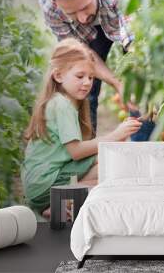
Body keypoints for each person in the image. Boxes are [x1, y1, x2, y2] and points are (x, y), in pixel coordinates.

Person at [21, 38, 142, 219]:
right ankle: (60, 208)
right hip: (46, 183)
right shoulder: (62, 105)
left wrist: (116, 138)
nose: (87, 83)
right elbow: (76, 152)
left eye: (91, 77)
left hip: (38, 184)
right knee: (111, 174)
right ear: (58, 75)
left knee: (107, 164)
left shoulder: (60, 101)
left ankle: (59, 204)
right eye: (80, 76)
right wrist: (116, 135)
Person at [39, 0, 134, 133]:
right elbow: (82, 54)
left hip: (114, 11)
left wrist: (131, 85)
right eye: (71, 13)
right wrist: (116, 82)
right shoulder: (50, 6)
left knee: (137, 86)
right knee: (81, 83)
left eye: (84, 7)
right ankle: (86, 146)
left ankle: (142, 142)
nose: (82, 19)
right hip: (86, 35)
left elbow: (136, 45)